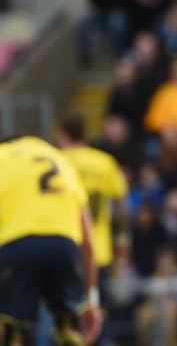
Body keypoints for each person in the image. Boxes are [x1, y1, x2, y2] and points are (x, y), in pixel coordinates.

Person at [0, 136, 103, 345]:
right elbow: (89, 242)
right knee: (68, 328)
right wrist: (91, 300)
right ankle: (69, 331)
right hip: (65, 247)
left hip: (16, 246)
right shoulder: (62, 160)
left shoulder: (3, 157)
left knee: (11, 329)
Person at [58, 114, 131, 344]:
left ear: (61, 135)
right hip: (99, 255)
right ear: (86, 135)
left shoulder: (57, 161)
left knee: (65, 318)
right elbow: (122, 209)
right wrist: (123, 249)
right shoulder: (104, 162)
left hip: (67, 252)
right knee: (98, 315)